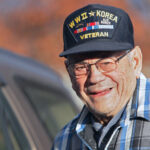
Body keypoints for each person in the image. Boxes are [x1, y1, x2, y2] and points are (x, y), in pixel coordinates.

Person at [51, 4, 150, 150]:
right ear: (69, 72)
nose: (94, 78)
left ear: (135, 62)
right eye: (81, 67)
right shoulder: (65, 140)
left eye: (106, 63)